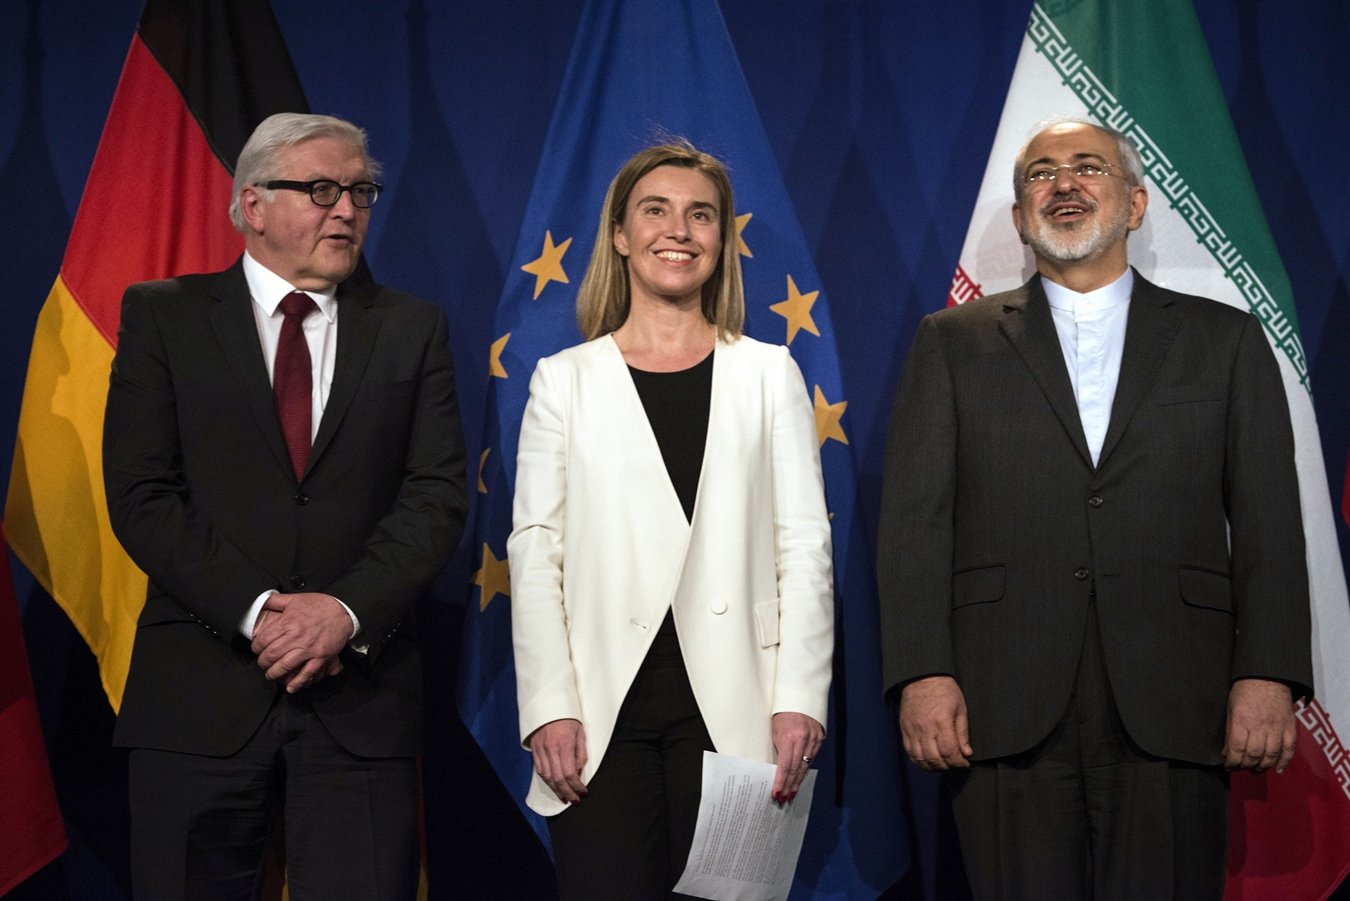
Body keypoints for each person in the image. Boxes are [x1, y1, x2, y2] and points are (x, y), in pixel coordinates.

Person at [877, 118, 1312, 899]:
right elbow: (915, 523)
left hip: (1178, 696)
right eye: (1041, 174)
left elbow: (1268, 523)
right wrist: (922, 671)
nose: (1064, 184)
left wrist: (1268, 672)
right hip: (1000, 699)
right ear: (1019, 217)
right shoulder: (949, 342)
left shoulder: (1227, 340)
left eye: (1089, 168)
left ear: (1137, 204)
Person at [103, 112, 467, 900]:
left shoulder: (412, 330)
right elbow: (141, 492)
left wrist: (343, 610)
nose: (346, 210)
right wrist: (261, 610)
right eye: (322, 189)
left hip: (358, 698)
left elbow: (434, 495)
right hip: (199, 697)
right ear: (252, 204)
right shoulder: (163, 316)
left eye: (360, 192)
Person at [509, 141, 834, 900]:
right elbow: (535, 552)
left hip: (739, 712)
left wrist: (799, 698)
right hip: (596, 718)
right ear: (620, 234)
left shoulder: (768, 372)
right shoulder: (564, 382)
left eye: (701, 215)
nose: (678, 230)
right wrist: (548, 706)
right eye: (655, 210)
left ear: (722, 241)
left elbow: (804, 546)